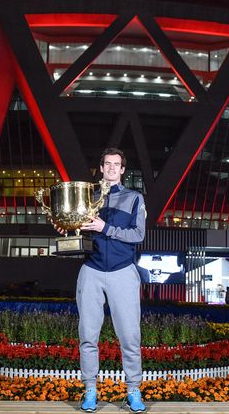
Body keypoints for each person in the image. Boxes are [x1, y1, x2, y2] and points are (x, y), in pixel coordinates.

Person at [57, 148, 147, 413]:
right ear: (101, 168)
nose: (111, 168)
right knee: (87, 335)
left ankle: (133, 391)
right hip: (91, 270)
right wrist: (67, 226)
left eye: (116, 165)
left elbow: (138, 235)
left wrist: (105, 228)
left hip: (123, 271)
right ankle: (90, 391)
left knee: (130, 336)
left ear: (122, 170)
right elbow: (77, 228)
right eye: (107, 164)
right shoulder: (88, 196)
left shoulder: (134, 198)